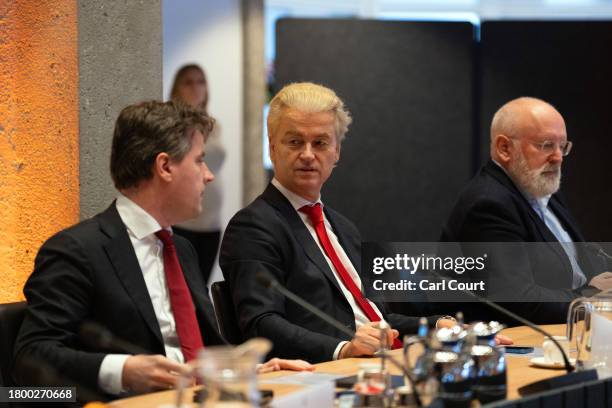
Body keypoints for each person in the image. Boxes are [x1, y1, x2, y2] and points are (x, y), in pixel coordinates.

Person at [14, 101, 312, 401]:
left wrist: (243, 369)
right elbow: (31, 357)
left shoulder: (181, 249)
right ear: (165, 167)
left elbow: (198, 349)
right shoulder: (77, 250)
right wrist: (124, 370)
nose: (208, 175)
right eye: (199, 161)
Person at [220, 83, 464, 364]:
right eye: (295, 142)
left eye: (320, 143)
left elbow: (376, 316)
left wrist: (436, 325)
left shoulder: (342, 227)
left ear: (336, 152)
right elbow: (261, 323)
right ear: (273, 148)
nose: (308, 154)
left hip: (388, 364)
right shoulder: (253, 227)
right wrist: (343, 348)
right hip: (328, 375)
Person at [441, 97, 612, 324]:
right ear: (504, 148)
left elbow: (581, 263)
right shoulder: (488, 204)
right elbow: (518, 300)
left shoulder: (541, 187)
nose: (558, 157)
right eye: (546, 145)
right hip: (512, 343)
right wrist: (589, 297)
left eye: (563, 146)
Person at [170, 64, 226, 284]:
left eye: (201, 81)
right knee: (184, 288)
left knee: (201, 290)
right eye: (189, 82)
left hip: (211, 222)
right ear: (177, 87)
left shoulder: (214, 125)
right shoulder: (172, 125)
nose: (196, 87)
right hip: (183, 222)